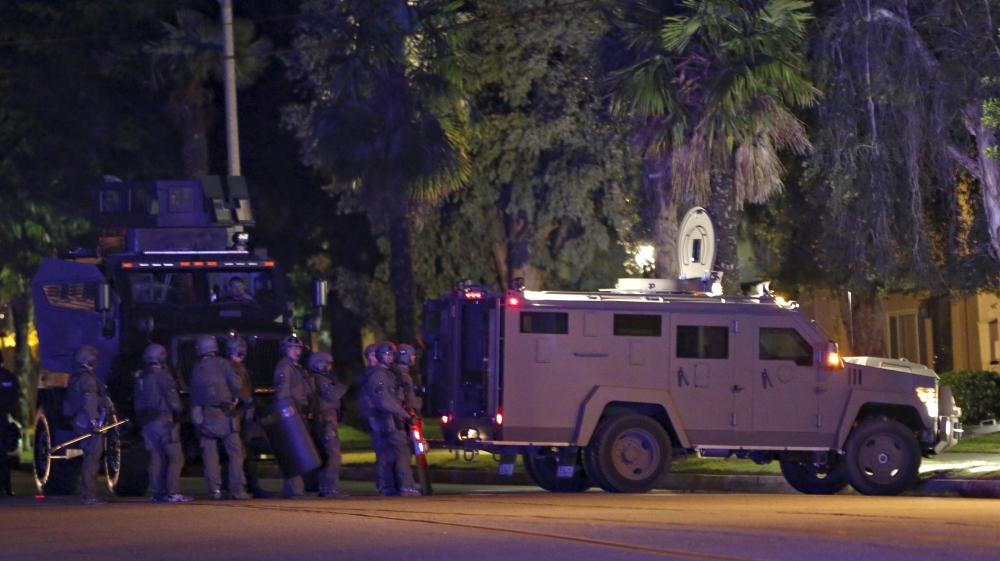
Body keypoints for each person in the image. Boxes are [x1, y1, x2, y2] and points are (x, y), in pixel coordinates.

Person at [189, 335, 251, 500]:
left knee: (210, 456)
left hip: (206, 417)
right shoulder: (224, 364)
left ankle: (214, 490)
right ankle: (237, 490)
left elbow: (194, 395)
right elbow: (237, 385)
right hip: (226, 417)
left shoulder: (196, 368)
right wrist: (236, 397)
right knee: (236, 453)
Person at [134, 344, 191, 503]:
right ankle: (173, 492)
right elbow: (172, 398)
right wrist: (180, 411)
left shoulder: (141, 377)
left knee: (156, 457)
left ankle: (158, 492)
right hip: (164, 421)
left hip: (147, 423)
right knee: (176, 458)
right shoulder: (163, 375)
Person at [364, 341, 420, 497]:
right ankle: (406, 486)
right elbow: (384, 400)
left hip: (389, 419)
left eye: (391, 354)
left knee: (387, 455)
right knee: (402, 452)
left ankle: (387, 486)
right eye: (386, 354)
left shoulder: (388, 373)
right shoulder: (379, 374)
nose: (389, 357)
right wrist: (406, 415)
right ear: (379, 355)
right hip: (387, 419)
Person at [225, 336, 272, 498]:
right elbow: (241, 392)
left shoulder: (232, 367)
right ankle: (244, 486)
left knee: (242, 452)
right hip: (238, 415)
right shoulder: (234, 368)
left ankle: (245, 486)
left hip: (239, 415)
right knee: (241, 452)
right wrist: (250, 402)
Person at [64, 345, 109, 505]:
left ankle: (88, 493)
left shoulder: (75, 376)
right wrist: (94, 421)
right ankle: (89, 494)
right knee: (92, 458)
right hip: (87, 421)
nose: (95, 360)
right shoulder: (87, 378)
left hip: (79, 419)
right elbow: (89, 401)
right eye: (92, 356)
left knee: (89, 457)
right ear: (86, 359)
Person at [273, 335, 312, 499]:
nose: (297, 351)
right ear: (285, 350)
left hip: (299, 411)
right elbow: (283, 394)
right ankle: (295, 490)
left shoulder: (296, 367)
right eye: (293, 348)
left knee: (297, 450)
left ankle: (293, 490)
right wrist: (288, 415)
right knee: (295, 451)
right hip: (292, 413)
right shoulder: (285, 368)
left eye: (299, 348)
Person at [307, 352, 349, 498]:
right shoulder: (320, 379)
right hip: (326, 420)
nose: (328, 366)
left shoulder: (323, 378)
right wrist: (341, 386)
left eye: (329, 363)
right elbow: (333, 394)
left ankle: (327, 486)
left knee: (329, 454)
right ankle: (330, 487)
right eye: (324, 363)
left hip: (329, 419)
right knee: (333, 454)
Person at [0, 353, 21, 497]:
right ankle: (6, 488)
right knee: (3, 456)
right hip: (3, 417)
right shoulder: (9, 377)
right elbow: (16, 397)